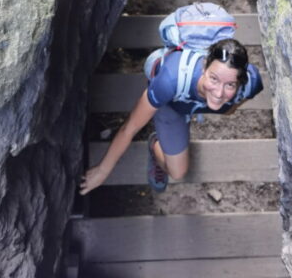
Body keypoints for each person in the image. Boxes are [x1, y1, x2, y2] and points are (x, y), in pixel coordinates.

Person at [79, 38, 263, 195]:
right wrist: (102, 171)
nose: (218, 92)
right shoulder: (170, 80)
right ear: (204, 66)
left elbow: (231, 107)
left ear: (241, 82)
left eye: (230, 85)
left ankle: (173, 135)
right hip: (172, 105)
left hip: (188, 104)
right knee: (177, 172)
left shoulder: (251, 83)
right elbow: (131, 127)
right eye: (213, 79)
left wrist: (226, 104)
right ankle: (155, 145)